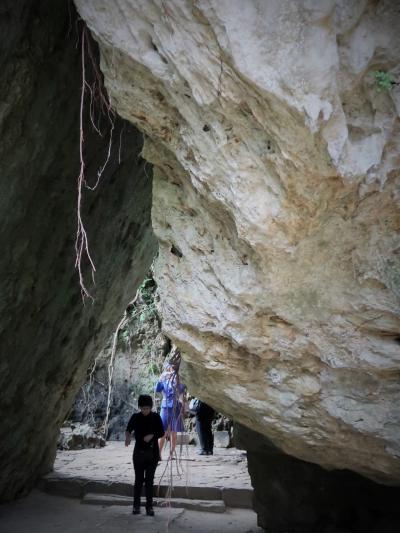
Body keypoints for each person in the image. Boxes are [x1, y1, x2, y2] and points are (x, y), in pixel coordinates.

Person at [125, 394, 164, 516]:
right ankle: (136, 506)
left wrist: (152, 435)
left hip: (152, 453)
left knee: (149, 480)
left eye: (147, 408)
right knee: (138, 480)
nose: (145, 411)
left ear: (151, 407)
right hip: (138, 453)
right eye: (142, 408)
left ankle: (149, 507)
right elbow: (128, 429)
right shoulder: (135, 417)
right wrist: (127, 437)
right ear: (139, 407)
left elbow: (161, 432)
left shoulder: (156, 417)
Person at [155, 355, 186, 457]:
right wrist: (161, 378)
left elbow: (181, 393)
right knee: (162, 431)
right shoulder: (163, 379)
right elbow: (157, 389)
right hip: (165, 407)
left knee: (174, 432)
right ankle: (158, 453)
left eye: (173, 367)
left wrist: (182, 407)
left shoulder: (179, 380)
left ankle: (171, 454)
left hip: (176, 407)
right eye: (169, 367)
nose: (171, 369)